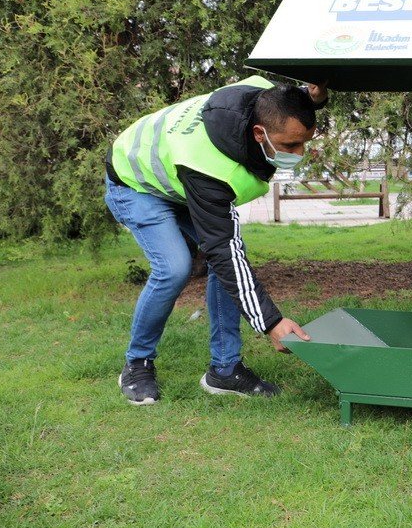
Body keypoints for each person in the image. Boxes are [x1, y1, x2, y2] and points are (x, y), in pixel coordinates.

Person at [105, 75, 327, 405]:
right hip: (134, 183)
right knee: (176, 267)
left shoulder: (261, 98)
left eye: (305, 142)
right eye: (291, 146)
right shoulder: (210, 165)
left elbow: (293, 100)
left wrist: (316, 98)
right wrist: (272, 323)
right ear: (258, 134)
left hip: (179, 182)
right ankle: (137, 364)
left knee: (229, 264)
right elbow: (223, 250)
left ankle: (224, 371)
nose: (301, 153)